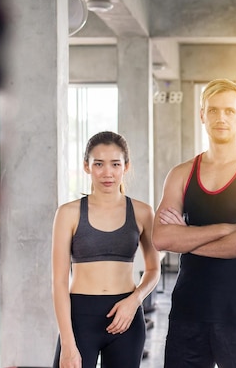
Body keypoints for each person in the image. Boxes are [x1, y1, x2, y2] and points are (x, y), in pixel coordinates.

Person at [152, 78, 236, 368]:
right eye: (214, 110)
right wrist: (228, 228)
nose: (221, 118)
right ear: (202, 115)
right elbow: (162, 239)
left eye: (230, 111)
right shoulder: (181, 174)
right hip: (188, 311)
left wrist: (187, 238)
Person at [51, 131, 160, 368]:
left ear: (126, 166)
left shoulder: (142, 212)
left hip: (126, 319)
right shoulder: (68, 213)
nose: (107, 173)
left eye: (115, 164)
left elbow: (153, 269)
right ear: (86, 166)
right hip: (80, 319)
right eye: (98, 164)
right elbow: (59, 282)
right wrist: (68, 345)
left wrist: (135, 300)